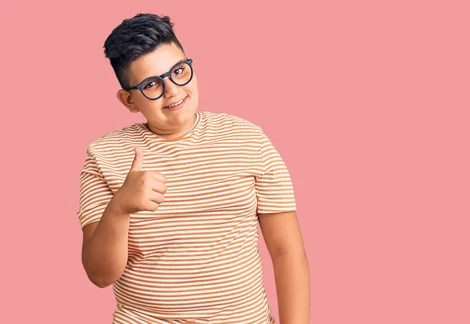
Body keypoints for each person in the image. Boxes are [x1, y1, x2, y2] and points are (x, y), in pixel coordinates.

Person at [77, 13, 310, 324]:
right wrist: (119, 208)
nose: (172, 90)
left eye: (178, 71)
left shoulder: (248, 139)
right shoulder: (104, 155)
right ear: (128, 100)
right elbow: (99, 275)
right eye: (151, 84)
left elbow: (287, 253)